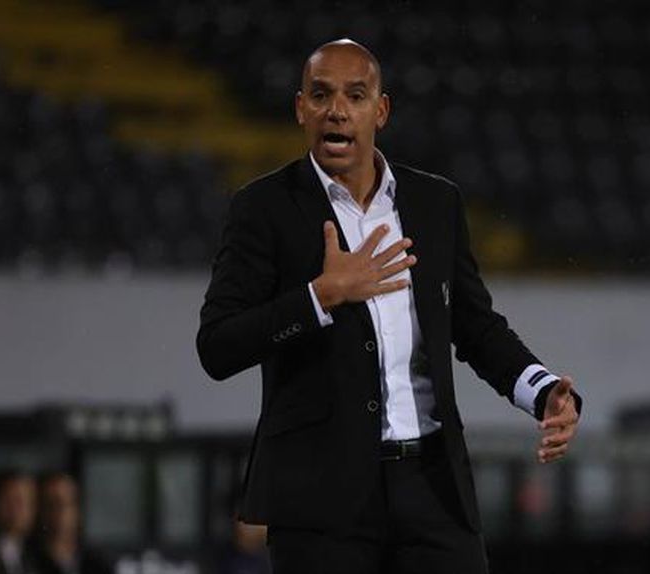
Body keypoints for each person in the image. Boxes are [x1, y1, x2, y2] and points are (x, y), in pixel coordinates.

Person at [197, 38, 581, 574]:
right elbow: (217, 347)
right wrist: (321, 296)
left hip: (433, 490)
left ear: (380, 110)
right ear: (301, 109)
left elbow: (474, 325)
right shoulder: (262, 208)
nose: (336, 110)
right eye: (321, 95)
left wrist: (542, 392)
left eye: (355, 96)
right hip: (320, 503)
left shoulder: (435, 202)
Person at [33, 472, 112, 574]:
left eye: (67, 503)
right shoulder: (25, 563)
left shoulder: (98, 564)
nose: (60, 511)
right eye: (51, 504)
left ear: (78, 509)